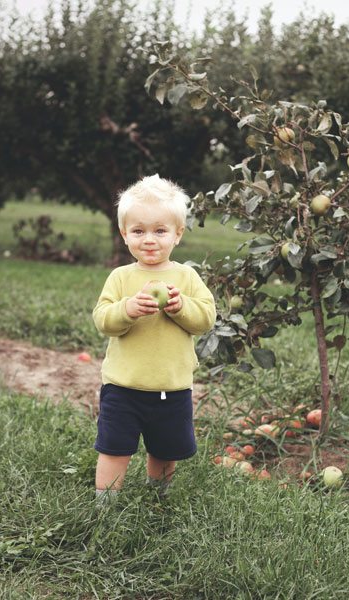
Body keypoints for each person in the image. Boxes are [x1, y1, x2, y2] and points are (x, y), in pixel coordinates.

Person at [92, 174, 216, 504]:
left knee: (165, 449)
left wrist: (180, 306)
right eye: (138, 231)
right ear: (124, 234)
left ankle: (157, 499)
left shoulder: (186, 278)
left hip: (171, 386)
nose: (149, 240)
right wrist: (128, 309)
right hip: (123, 386)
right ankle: (104, 506)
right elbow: (103, 319)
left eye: (160, 231)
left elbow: (206, 318)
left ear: (178, 234)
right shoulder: (121, 278)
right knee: (113, 448)